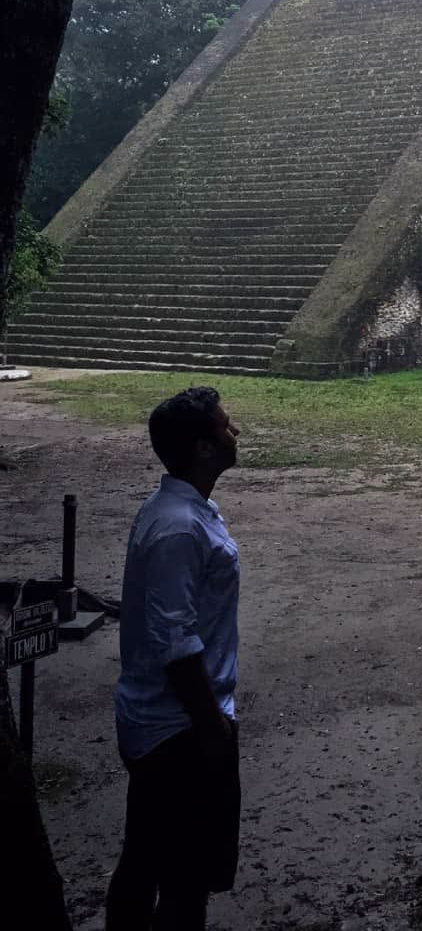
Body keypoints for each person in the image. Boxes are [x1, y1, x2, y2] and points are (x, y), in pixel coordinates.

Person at [106, 386, 242, 931]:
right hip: (177, 728)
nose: (236, 433)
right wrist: (211, 726)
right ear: (203, 448)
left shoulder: (186, 511)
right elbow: (175, 641)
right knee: (178, 875)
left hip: (180, 720)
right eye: (226, 426)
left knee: (152, 856)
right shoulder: (177, 527)